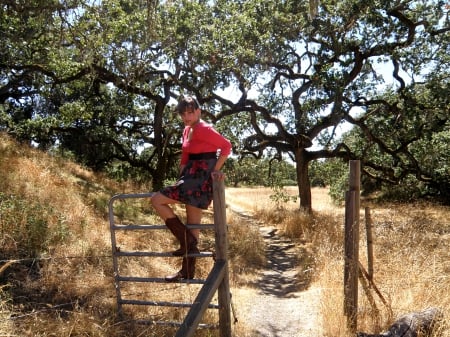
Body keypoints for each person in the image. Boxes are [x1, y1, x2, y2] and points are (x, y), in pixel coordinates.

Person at [151, 96, 232, 282]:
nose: (186, 116)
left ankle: (187, 245)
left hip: (200, 178)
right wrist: (181, 177)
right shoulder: (187, 129)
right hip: (189, 177)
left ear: (198, 111)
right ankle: (186, 271)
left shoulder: (204, 128)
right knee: (192, 229)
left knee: (157, 199)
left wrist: (215, 170)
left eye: (190, 112)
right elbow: (185, 156)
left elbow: (226, 147)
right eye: (183, 113)